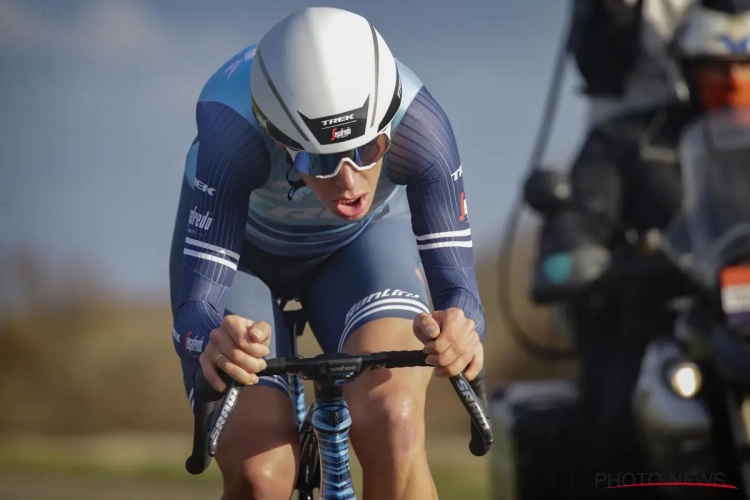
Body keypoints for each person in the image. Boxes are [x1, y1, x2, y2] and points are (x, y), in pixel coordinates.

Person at [168, 7, 486, 500]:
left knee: (394, 422)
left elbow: (461, 295)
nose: (349, 182)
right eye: (319, 159)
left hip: (361, 249)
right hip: (243, 258)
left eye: (368, 150)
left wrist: (460, 331)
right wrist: (210, 340)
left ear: (389, 127)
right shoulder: (234, 133)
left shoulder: (419, 127)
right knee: (262, 474)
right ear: (277, 138)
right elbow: (196, 311)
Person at [528, 0, 750, 497]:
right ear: (687, 69)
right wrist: (576, 252)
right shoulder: (628, 140)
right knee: (615, 421)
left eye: (746, 67)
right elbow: (578, 217)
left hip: (739, 317)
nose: (734, 82)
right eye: (717, 68)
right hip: (663, 318)